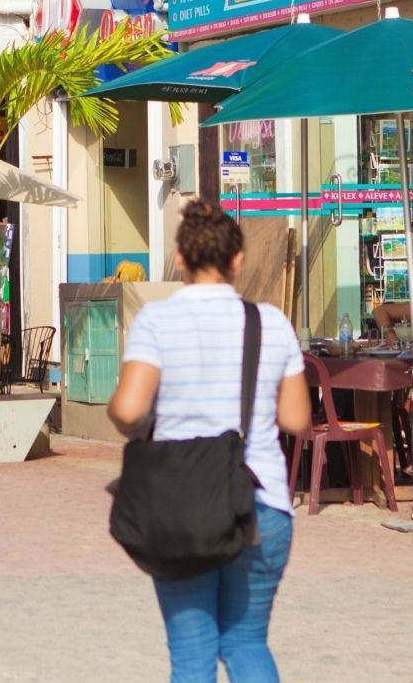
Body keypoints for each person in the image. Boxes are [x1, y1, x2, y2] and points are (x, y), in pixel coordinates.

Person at [108, 201, 311, 683]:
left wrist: (137, 417)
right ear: (237, 261)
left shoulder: (156, 322)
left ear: (180, 256)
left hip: (181, 507)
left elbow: (130, 411)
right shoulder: (270, 323)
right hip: (261, 503)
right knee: (246, 642)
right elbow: (297, 418)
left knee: (192, 654)